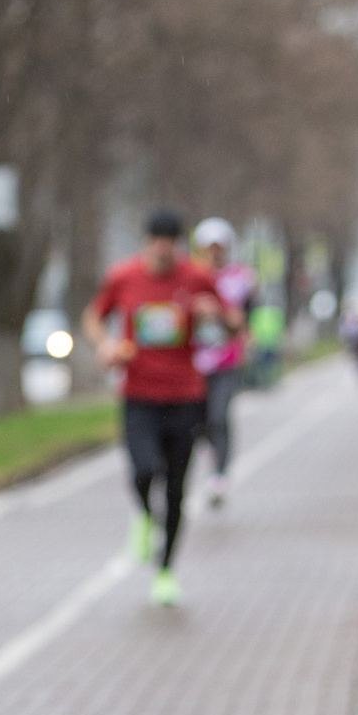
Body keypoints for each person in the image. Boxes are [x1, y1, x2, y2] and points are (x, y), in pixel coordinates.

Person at [80, 209, 234, 606]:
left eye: (171, 245)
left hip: (185, 396)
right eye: (157, 244)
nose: (163, 252)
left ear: (178, 246)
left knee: (178, 489)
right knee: (144, 469)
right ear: (147, 243)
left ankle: (165, 571)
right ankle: (144, 516)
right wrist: (106, 345)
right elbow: (94, 317)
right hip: (139, 395)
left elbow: (235, 322)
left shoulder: (197, 278)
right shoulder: (124, 277)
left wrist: (215, 314)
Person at [190, 218, 258, 507]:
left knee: (219, 416)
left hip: (226, 359)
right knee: (198, 422)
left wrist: (246, 335)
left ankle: (219, 474)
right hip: (193, 361)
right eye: (210, 247)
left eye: (220, 247)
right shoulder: (189, 276)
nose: (215, 252)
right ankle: (213, 455)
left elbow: (248, 314)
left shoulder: (241, 277)